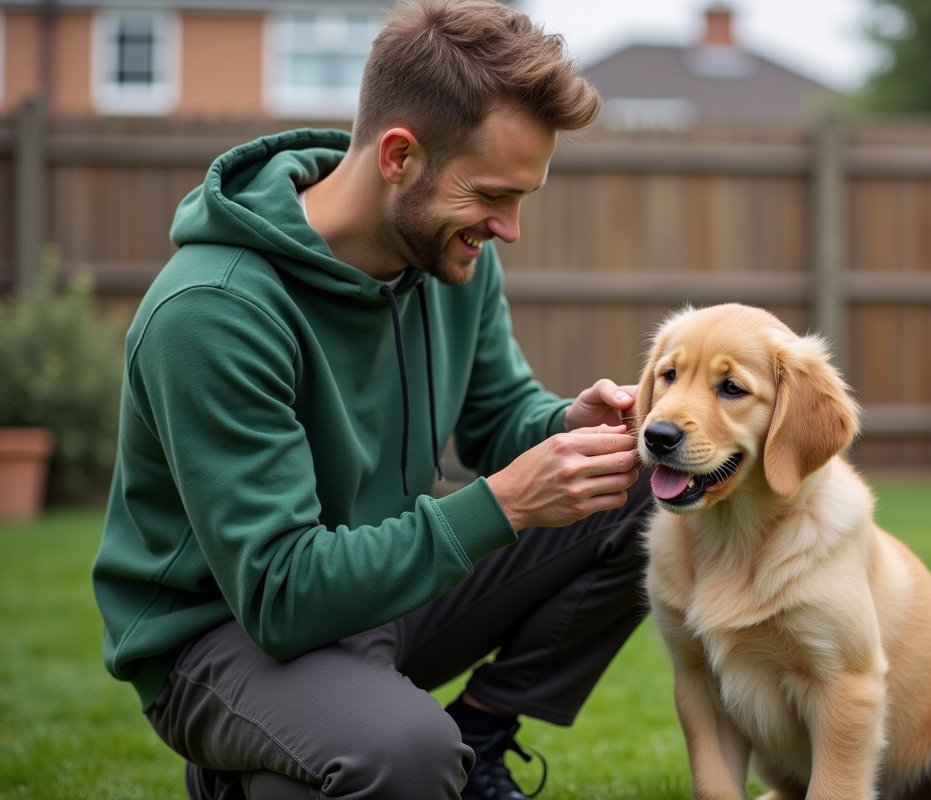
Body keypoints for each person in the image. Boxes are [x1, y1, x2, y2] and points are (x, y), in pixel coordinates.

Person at [91, 2, 653, 798]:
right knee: (404, 756)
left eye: (523, 197)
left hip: (386, 585)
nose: (511, 228)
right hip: (230, 635)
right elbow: (281, 593)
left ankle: (479, 738)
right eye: (494, 194)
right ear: (399, 155)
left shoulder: (450, 257)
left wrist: (569, 427)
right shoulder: (213, 311)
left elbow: (499, 419)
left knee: (645, 483)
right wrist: (504, 503)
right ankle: (253, 761)